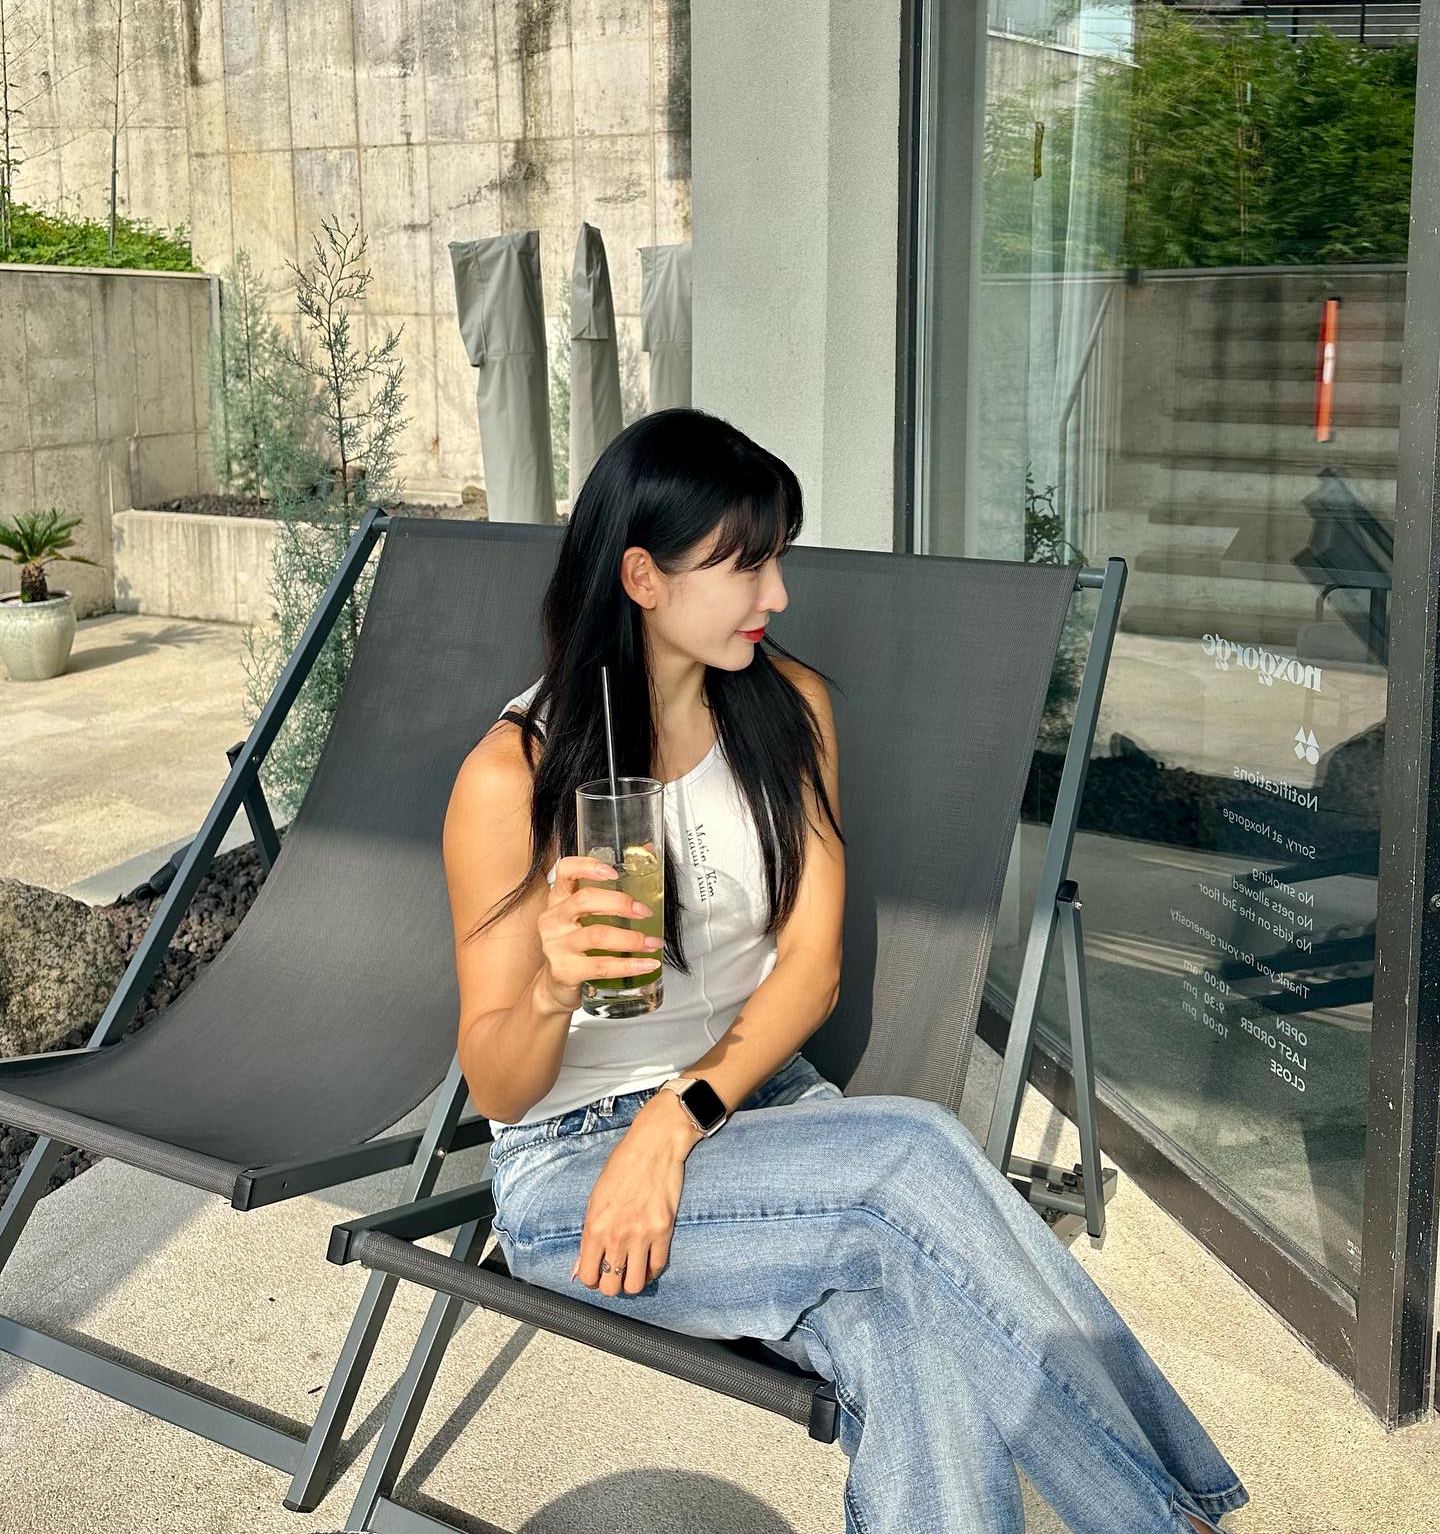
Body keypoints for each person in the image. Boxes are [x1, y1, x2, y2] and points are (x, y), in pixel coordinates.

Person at [442, 406, 1249, 1534]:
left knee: (909, 1328)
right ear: (643, 576)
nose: (777, 593)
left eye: (779, 558)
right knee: (912, 1153)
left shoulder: (791, 714)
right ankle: (1174, 1518)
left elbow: (810, 973)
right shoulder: (511, 778)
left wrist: (675, 1120)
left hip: (753, 1111)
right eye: (747, 564)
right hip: (576, 1169)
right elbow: (497, 1085)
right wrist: (546, 987)